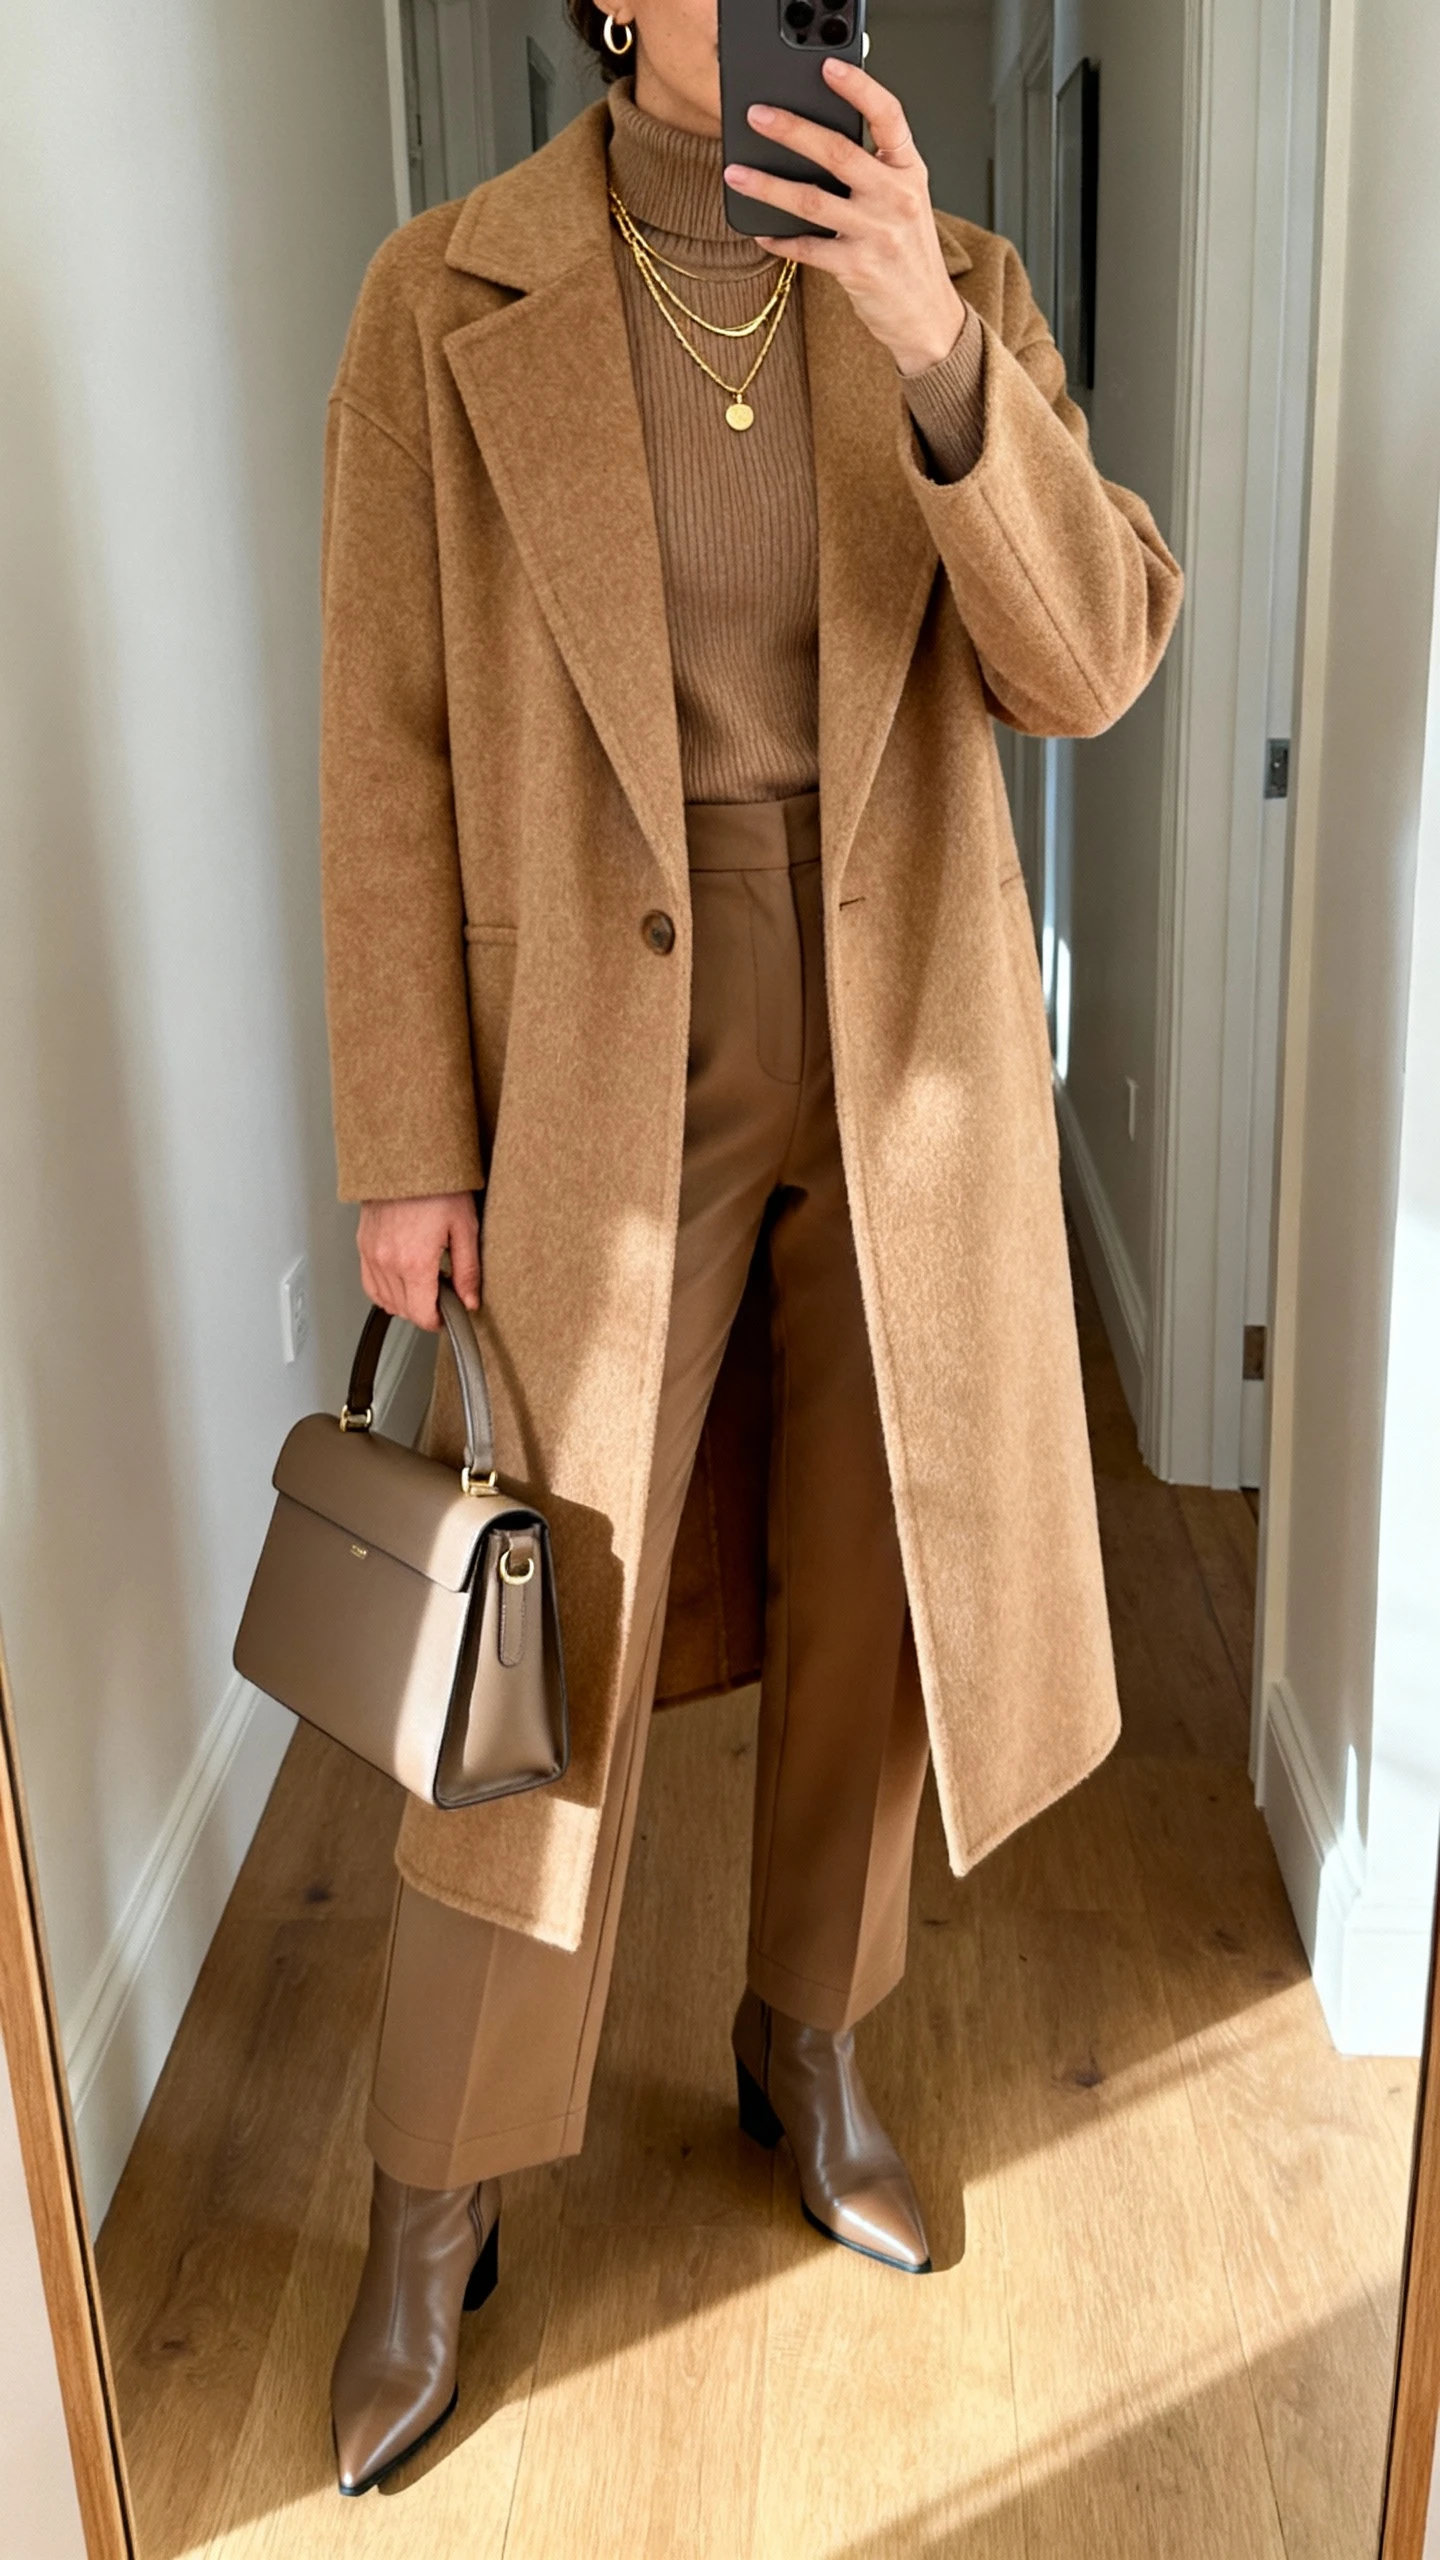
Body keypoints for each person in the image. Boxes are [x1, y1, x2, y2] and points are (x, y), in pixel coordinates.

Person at [317, 0, 1183, 2495]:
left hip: (899, 1027)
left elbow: (1093, 659)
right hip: (596, 1044)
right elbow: (384, 737)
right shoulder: (440, 298)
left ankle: (811, 2034)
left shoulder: (957, 273)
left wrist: (927, 333)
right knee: (536, 1636)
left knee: (875, 1576)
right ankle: (434, 2190)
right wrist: (410, 1129)